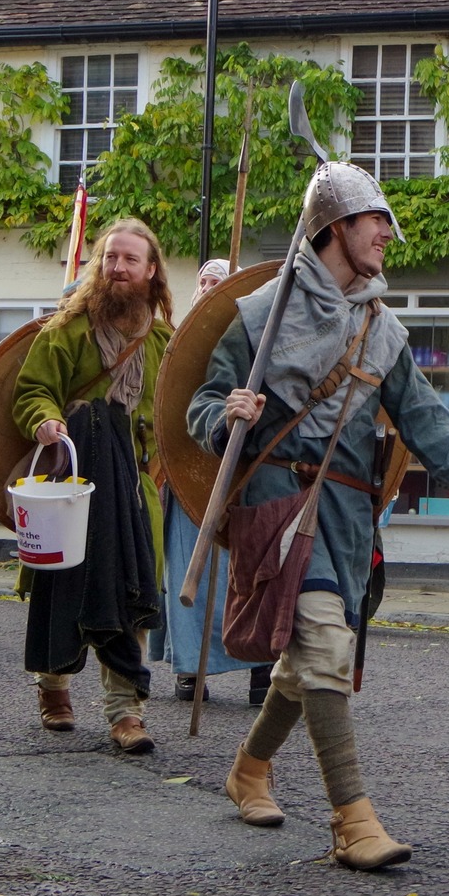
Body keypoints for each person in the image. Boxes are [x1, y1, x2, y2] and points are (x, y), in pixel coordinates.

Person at [190, 162, 449, 871]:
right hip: (275, 498)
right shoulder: (260, 315)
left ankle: (248, 769)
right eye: (376, 222)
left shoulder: (380, 327)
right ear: (336, 228)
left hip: (343, 507)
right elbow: (200, 404)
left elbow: (421, 410)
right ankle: (353, 820)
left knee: (309, 662)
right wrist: (225, 412)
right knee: (323, 641)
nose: (388, 236)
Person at [13, 219, 173, 753]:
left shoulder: (165, 342)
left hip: (135, 489)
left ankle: (126, 710)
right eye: (110, 258)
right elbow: (32, 391)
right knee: (61, 585)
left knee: (133, 589)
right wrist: (44, 419)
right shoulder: (66, 331)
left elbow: (179, 410)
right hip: (71, 485)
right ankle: (53, 685)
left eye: (130, 259)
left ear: (152, 271)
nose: (118, 268)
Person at [162, 257, 272, 707]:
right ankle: (191, 667)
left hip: (250, 467)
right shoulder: (173, 341)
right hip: (190, 467)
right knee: (193, 567)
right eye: (203, 281)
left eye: (219, 283)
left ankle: (262, 669)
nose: (208, 287)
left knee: (254, 570)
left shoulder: (256, 336)